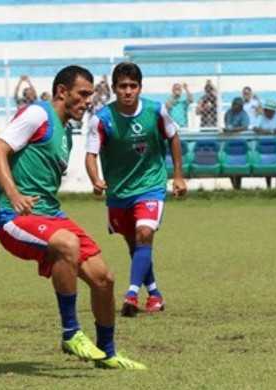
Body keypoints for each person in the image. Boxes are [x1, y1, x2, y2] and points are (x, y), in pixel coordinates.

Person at [0, 65, 146, 369]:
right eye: (83, 94)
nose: (89, 101)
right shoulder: (38, 115)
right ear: (62, 91)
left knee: (104, 278)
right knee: (67, 244)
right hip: (14, 216)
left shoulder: (68, 132)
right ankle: (71, 332)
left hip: (50, 214)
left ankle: (108, 353)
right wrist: (14, 194)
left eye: (91, 95)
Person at [85, 62, 187, 318]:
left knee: (144, 233)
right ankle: (154, 293)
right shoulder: (102, 119)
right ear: (114, 88)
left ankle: (131, 293)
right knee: (135, 244)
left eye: (133, 86)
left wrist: (177, 175)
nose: (128, 91)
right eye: (123, 86)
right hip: (119, 192)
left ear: (140, 87)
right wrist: (96, 179)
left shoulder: (155, 111)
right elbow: (90, 154)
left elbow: (173, 136)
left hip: (151, 185)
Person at [252, 99, 276, 189]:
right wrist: (269, 131)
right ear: (265, 110)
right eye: (268, 111)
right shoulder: (261, 116)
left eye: (272, 111)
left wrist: (269, 131)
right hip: (264, 144)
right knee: (267, 164)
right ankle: (269, 186)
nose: (270, 113)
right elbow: (255, 128)